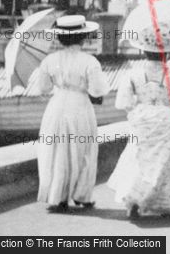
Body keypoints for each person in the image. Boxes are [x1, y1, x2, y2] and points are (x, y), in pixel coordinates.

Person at [107, 21, 170, 219]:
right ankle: (167, 205)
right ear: (168, 52)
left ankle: (134, 200)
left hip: (142, 120)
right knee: (167, 164)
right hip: (167, 119)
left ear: (143, 50)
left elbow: (122, 102)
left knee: (139, 160)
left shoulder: (132, 74)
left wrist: (138, 109)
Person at [34, 15, 108, 212]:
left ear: (59, 38)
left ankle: (58, 196)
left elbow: (43, 88)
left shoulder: (49, 60)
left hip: (57, 106)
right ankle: (82, 194)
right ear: (83, 37)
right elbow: (97, 92)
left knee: (56, 150)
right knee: (83, 150)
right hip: (79, 106)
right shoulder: (90, 61)